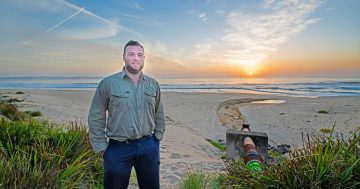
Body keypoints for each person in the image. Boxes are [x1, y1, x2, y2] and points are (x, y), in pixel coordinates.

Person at [88, 40, 165, 189]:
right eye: (131, 54)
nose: (136, 58)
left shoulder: (153, 84)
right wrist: (101, 147)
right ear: (123, 56)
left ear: (144, 58)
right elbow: (96, 116)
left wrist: (157, 138)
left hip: (149, 146)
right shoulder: (108, 83)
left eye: (139, 55)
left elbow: (159, 112)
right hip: (117, 148)